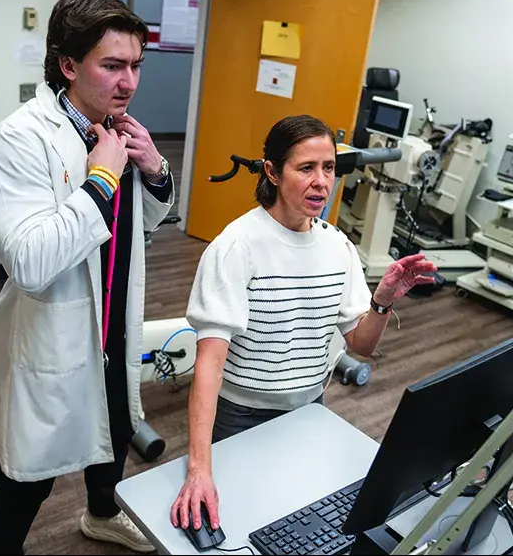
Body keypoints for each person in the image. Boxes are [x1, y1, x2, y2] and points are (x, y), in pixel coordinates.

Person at [169, 115, 435, 533]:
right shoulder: (236, 248)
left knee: (300, 521)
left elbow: (360, 346)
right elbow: (209, 365)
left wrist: (382, 300)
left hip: (310, 409)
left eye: (328, 168)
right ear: (272, 172)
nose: (321, 182)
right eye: (306, 168)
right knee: (240, 526)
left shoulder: (338, 247)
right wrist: (199, 468)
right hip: (241, 415)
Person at [0, 0, 174, 555]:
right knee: (30, 473)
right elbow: (28, 261)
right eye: (112, 65)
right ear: (68, 65)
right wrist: (101, 181)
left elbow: (142, 225)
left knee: (115, 426)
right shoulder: (21, 138)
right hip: (55, 330)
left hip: (114, 315)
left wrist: (154, 170)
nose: (129, 82)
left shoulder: (115, 129)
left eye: (136, 65)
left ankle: (101, 513)